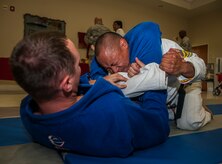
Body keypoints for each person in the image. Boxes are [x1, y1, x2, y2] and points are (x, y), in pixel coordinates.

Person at [9, 31, 169, 157]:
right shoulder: (114, 111)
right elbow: (159, 126)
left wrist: (96, 83)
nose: (82, 71)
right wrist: (154, 83)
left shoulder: (27, 111)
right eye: (78, 65)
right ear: (67, 84)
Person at [90, 21, 211, 130]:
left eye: (114, 64)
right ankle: (173, 112)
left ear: (123, 44)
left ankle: (205, 112)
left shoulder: (166, 47)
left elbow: (202, 67)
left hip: (185, 88)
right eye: (109, 68)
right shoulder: (114, 71)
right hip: (167, 101)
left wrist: (182, 67)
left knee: (190, 123)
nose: (114, 70)